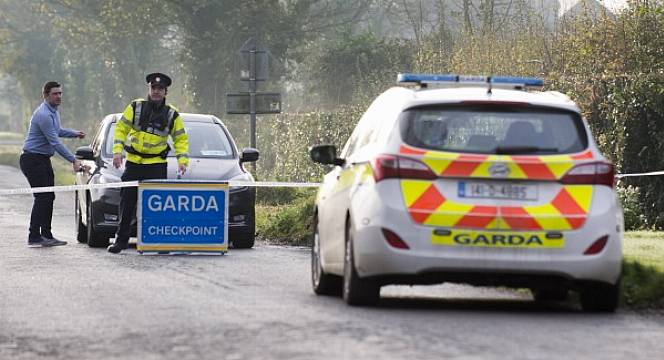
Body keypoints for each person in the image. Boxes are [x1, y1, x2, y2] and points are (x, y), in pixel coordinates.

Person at [108, 72, 189, 254]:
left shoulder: (171, 114)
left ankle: (160, 243)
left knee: (157, 207)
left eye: (160, 89)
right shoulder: (135, 107)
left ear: (165, 92)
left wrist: (182, 160)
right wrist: (117, 152)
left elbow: (180, 139)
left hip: (156, 165)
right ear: (149, 89)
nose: (156, 91)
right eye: (153, 88)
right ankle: (120, 242)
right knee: (127, 204)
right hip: (134, 164)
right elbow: (121, 129)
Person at [20, 81, 85, 247]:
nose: (59, 97)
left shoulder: (54, 112)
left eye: (60, 93)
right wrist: (74, 160)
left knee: (49, 196)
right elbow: (55, 142)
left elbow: (58, 131)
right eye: (55, 94)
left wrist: (74, 134)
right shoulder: (43, 115)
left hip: (42, 159)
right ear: (46, 95)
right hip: (32, 159)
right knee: (42, 197)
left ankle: (46, 235)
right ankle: (33, 236)